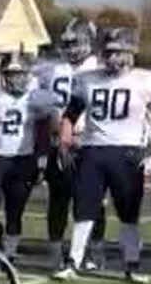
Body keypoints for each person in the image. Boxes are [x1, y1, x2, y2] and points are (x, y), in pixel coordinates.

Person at [53, 27, 151, 284]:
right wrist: (65, 140)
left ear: (129, 53)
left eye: (115, 52)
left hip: (127, 152)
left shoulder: (146, 80)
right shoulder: (87, 78)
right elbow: (71, 113)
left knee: (128, 214)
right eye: (107, 52)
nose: (109, 57)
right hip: (92, 150)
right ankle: (73, 262)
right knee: (84, 211)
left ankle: (132, 264)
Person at [0, 50, 59, 258]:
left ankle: (9, 253)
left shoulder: (38, 99)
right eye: (10, 74)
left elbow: (43, 134)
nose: (15, 79)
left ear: (28, 75)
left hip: (23, 159)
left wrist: (41, 161)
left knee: (15, 209)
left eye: (19, 74)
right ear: (3, 75)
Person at [35, 19, 102, 271]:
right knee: (58, 199)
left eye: (76, 42)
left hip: (90, 142)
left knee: (90, 200)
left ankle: (92, 252)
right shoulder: (51, 69)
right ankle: (55, 251)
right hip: (59, 143)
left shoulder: (99, 67)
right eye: (67, 43)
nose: (71, 48)